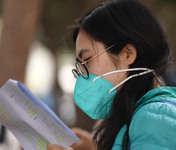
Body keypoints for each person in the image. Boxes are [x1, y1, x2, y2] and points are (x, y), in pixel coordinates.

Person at [47, 0, 176, 149]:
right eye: (80, 66)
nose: (83, 77)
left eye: (88, 60)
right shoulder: (141, 115)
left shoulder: (154, 117)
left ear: (127, 54)